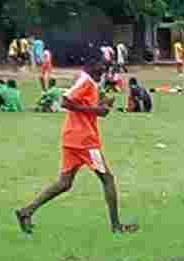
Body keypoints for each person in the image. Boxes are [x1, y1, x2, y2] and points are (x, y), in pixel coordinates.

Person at [15, 57, 138, 236]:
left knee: (64, 183)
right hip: (84, 141)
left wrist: (102, 105)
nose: (104, 72)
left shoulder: (90, 83)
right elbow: (66, 102)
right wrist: (96, 110)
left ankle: (26, 212)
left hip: (72, 138)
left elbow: (85, 105)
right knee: (108, 179)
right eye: (102, 68)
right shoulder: (86, 81)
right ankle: (116, 226)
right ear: (93, 67)